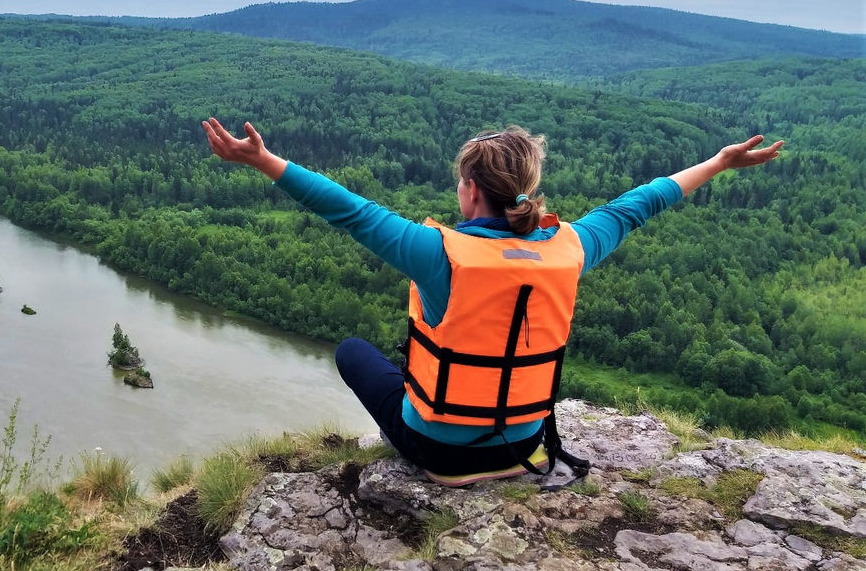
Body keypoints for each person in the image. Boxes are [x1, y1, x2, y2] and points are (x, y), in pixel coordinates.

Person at [202, 117, 784, 486]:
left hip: (439, 453)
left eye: (460, 184)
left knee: (356, 351)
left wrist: (261, 160)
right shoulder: (571, 246)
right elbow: (641, 203)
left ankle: (422, 441)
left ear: (472, 189)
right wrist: (719, 162)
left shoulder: (438, 254)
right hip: (524, 440)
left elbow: (347, 208)